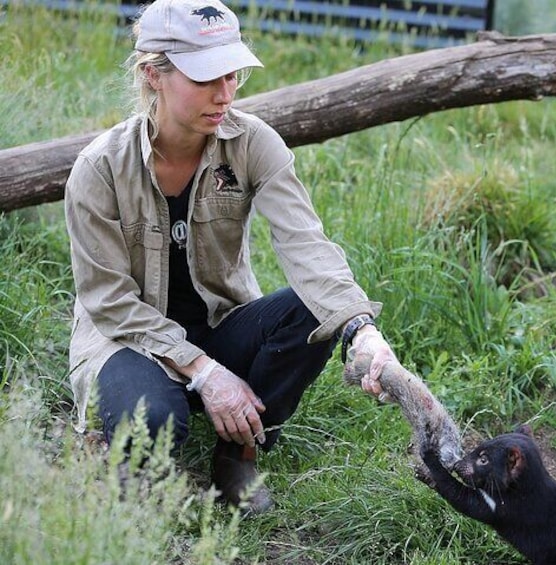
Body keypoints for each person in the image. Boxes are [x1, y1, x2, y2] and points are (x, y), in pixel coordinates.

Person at [64, 0, 396, 514]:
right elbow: (108, 301)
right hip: (127, 340)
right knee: (153, 421)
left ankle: (236, 455)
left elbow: (306, 245)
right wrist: (204, 372)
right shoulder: (100, 168)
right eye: (205, 79)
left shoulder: (252, 143)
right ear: (153, 74)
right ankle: (131, 454)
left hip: (219, 322)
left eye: (233, 74)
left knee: (316, 311)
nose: (225, 94)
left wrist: (361, 330)